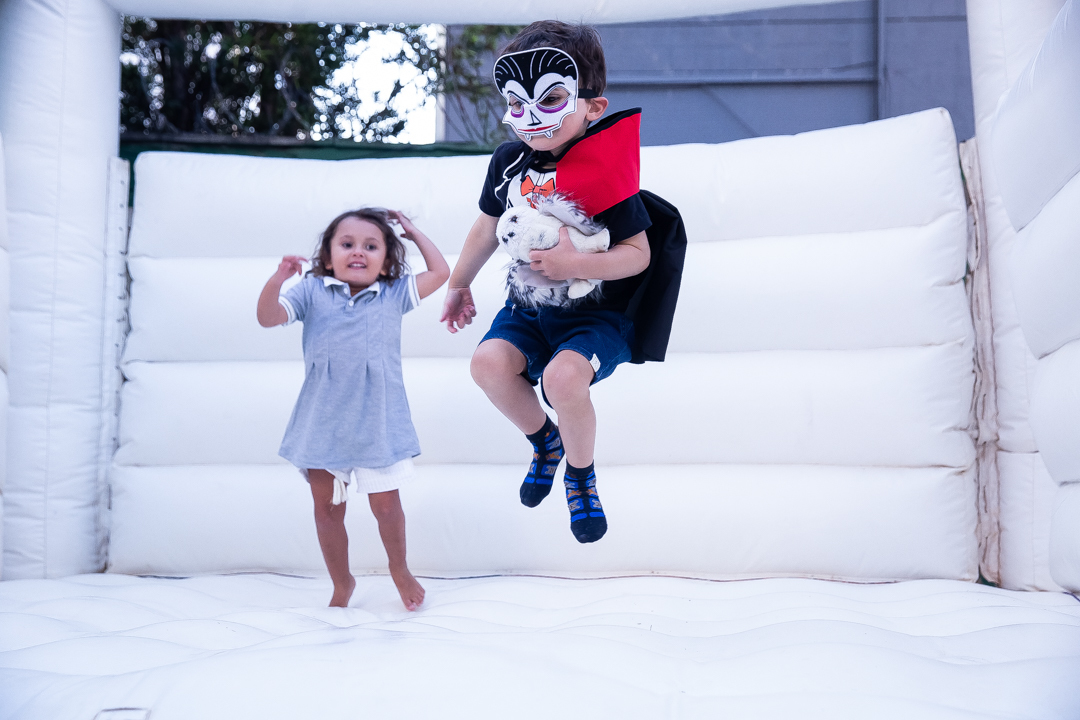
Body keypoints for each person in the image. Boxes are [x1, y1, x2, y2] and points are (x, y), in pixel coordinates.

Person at [439, 21, 685, 544]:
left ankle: (579, 473)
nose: (530, 119)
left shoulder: (605, 173)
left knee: (563, 380)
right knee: (486, 365)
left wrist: (578, 265)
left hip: (597, 315)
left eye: (551, 99)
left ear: (592, 106)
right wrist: (459, 283)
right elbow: (487, 225)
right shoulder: (509, 164)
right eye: (515, 103)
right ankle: (544, 441)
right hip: (528, 307)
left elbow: (637, 255)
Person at [257, 208, 449, 609]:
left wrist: (413, 233)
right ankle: (342, 583)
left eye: (371, 246)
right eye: (347, 245)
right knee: (328, 510)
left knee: (386, 506)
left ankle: (400, 569)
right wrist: (278, 279)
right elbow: (267, 318)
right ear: (328, 257)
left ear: (386, 259)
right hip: (323, 424)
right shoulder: (311, 291)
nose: (358, 252)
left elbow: (440, 273)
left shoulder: (394, 293)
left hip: (377, 422)